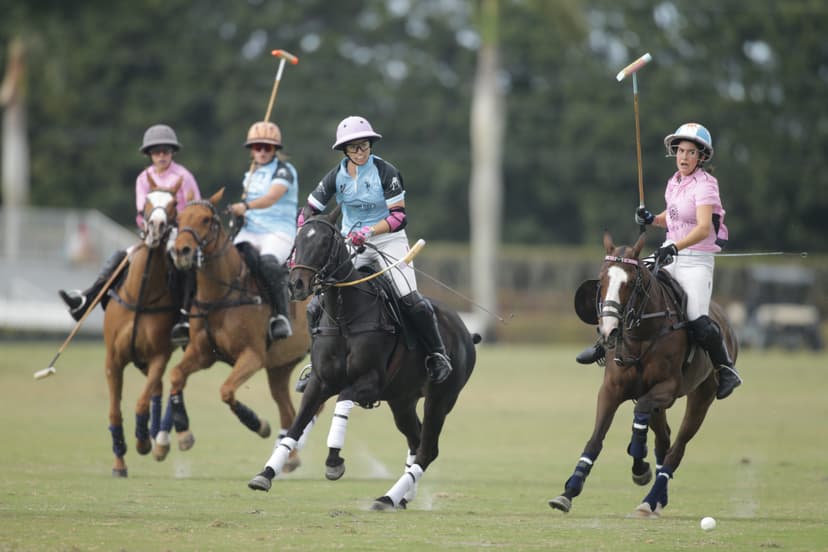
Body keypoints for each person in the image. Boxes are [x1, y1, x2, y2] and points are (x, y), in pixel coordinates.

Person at [575, 122, 742, 400]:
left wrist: (674, 246)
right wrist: (653, 219)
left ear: (701, 157)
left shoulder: (706, 185)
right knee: (627, 283)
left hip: (696, 261)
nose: (684, 157)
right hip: (670, 251)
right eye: (680, 151)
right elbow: (675, 216)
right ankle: (604, 343)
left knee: (697, 318)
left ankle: (726, 369)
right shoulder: (674, 182)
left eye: (691, 152)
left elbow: (701, 227)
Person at [295, 115, 452, 390]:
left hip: (387, 240)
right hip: (349, 243)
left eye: (364, 145)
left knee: (409, 298)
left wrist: (368, 232)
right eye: (354, 147)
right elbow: (311, 208)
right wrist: (304, 226)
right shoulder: (336, 176)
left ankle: (437, 355)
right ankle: (315, 364)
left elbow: (399, 217)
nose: (360, 151)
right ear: (344, 150)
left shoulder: (386, 172)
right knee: (316, 305)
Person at [59, 124, 201, 343]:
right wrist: (148, 230)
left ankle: (183, 318)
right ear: (150, 154)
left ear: (173, 152)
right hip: (151, 234)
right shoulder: (144, 178)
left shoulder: (184, 176)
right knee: (120, 257)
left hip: (177, 234)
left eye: (166, 150)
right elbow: (141, 211)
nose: (161, 155)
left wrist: (178, 229)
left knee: (184, 265)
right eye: (156, 151)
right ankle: (87, 299)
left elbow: (194, 210)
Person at [226, 121, 298, 340]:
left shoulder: (285, 171)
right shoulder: (251, 174)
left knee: (267, 263)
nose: (262, 151)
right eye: (258, 147)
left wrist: (246, 206)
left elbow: (272, 197)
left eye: (267, 147)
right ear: (252, 150)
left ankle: (281, 316)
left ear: (275, 149)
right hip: (250, 229)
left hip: (277, 231)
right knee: (224, 261)